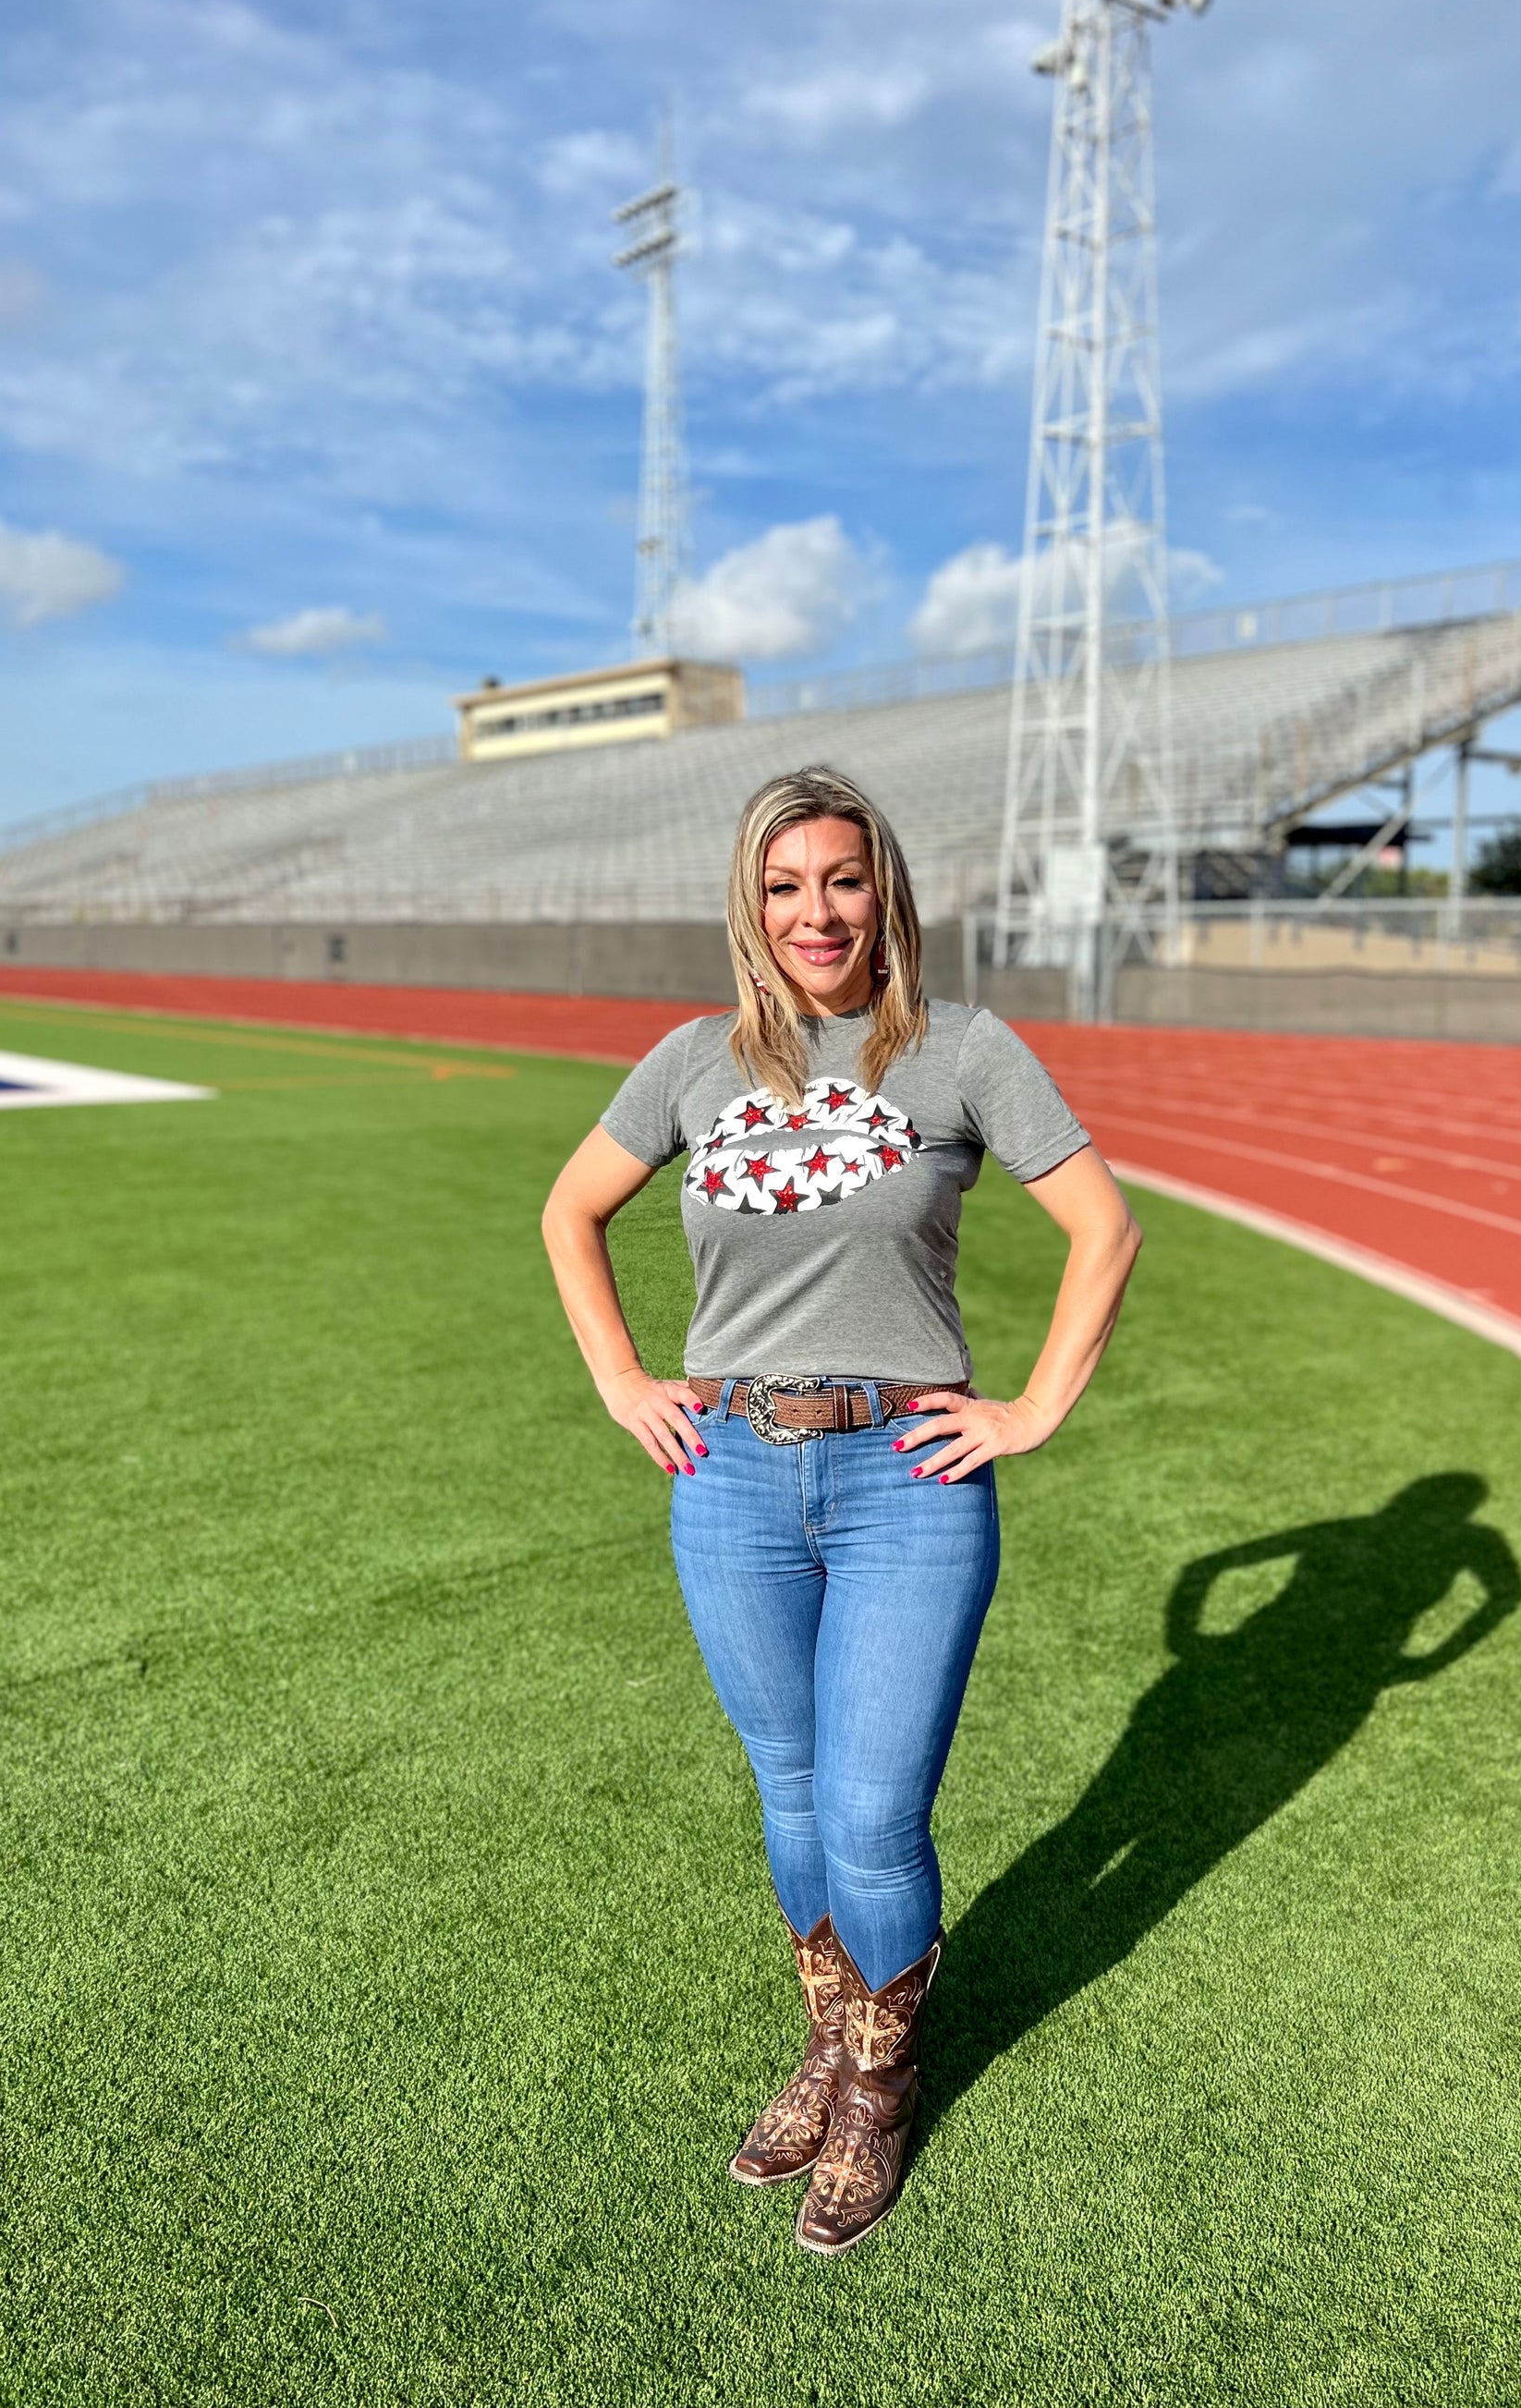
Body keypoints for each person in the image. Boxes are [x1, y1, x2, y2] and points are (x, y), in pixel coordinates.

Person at [541, 767, 1141, 2254]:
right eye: (785, 885)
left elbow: (1104, 1228)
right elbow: (569, 1211)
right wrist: (624, 1379)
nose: (818, 912)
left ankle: (879, 2083)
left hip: (905, 1476)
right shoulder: (691, 1062)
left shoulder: (962, 1053)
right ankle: (828, 2034)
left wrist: (1032, 1410)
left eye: (844, 880)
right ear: (751, 908)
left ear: (887, 894)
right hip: (732, 1469)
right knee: (792, 1792)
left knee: (874, 1816)